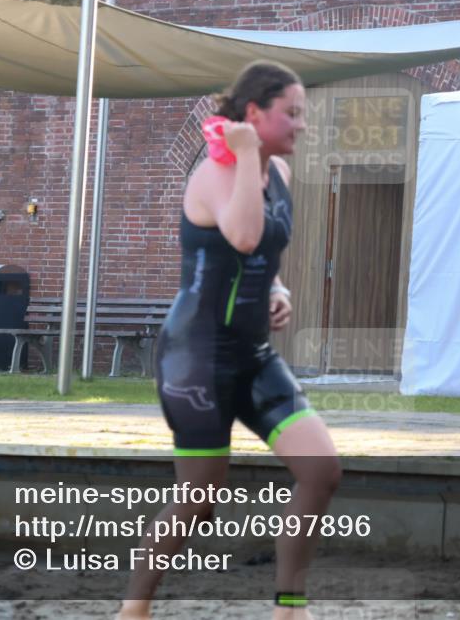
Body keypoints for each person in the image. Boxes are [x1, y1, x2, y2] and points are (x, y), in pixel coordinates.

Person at [118, 61, 341, 620]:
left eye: (302, 115)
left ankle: (289, 608)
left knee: (321, 469)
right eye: (291, 114)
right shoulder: (216, 174)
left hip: (252, 355)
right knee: (198, 498)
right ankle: (134, 609)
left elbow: (264, 253)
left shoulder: (277, 175)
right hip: (195, 361)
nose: (301, 126)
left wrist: (280, 288)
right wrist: (243, 154)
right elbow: (242, 236)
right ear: (251, 115)